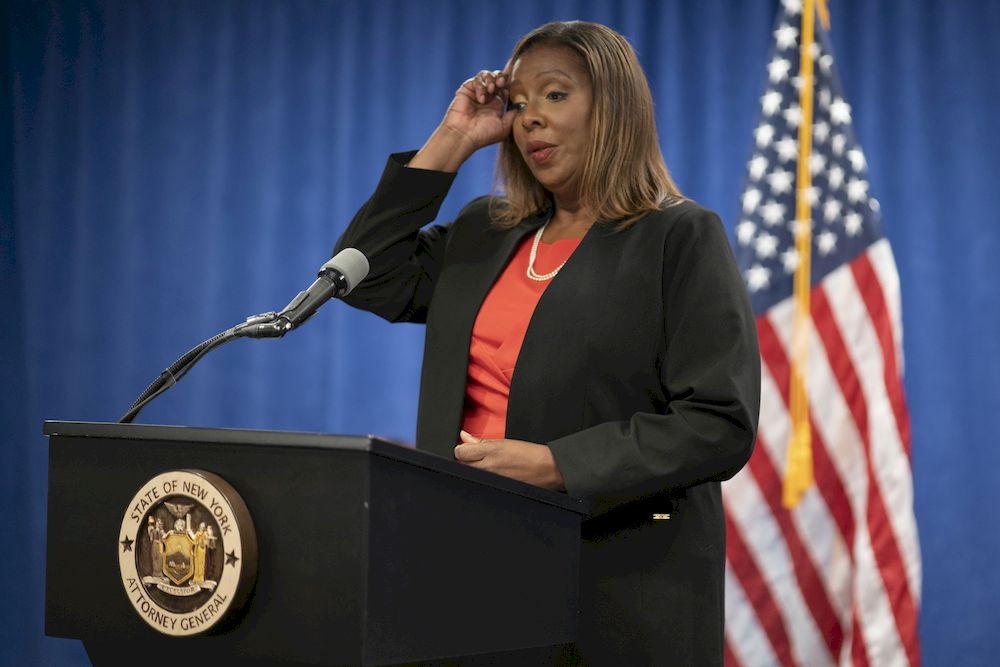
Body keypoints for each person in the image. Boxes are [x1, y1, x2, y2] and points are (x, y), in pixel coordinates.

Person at [334, 21, 760, 666]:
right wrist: (453, 138)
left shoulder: (678, 237)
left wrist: (557, 464)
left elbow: (718, 422)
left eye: (556, 95)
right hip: (468, 565)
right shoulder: (485, 230)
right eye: (521, 103)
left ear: (613, 108)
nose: (531, 118)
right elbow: (367, 273)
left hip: (617, 580)